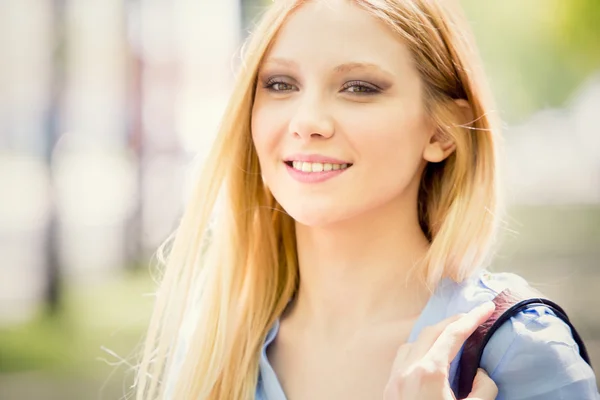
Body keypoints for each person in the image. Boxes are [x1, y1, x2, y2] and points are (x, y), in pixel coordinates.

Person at [134, 0, 599, 399]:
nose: (307, 120)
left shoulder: (518, 348)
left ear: (442, 131)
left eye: (358, 87)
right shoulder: (213, 345)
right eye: (280, 84)